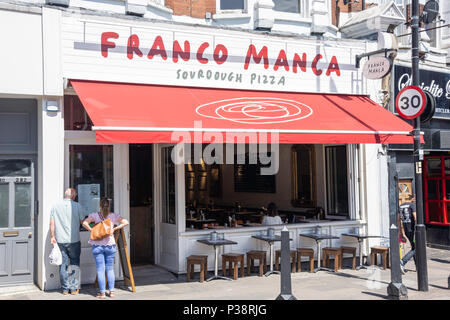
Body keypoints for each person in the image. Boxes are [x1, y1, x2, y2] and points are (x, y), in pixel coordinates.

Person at [82, 198, 129, 299]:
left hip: (97, 246)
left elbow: (84, 223)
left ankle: (102, 293)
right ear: (109, 206)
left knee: (100, 269)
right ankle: (111, 292)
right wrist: (115, 228)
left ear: (100, 206)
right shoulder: (113, 216)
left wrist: (92, 230)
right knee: (110, 269)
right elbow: (126, 222)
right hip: (110, 245)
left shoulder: (94, 215)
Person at [49, 188, 85, 295]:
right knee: (74, 263)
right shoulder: (77, 206)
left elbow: (52, 223)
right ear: (73, 196)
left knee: (63, 264)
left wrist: (52, 236)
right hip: (74, 239)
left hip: (60, 240)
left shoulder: (55, 206)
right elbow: (82, 221)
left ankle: (65, 289)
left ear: (65, 195)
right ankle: (73, 289)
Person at [398, 198, 417, 274]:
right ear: (412, 198)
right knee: (417, 248)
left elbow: (398, 220)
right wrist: (417, 230)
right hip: (413, 230)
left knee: (414, 246)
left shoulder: (400, 206)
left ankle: (417, 266)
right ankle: (402, 261)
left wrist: (401, 233)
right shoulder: (412, 205)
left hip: (406, 230)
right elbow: (415, 218)